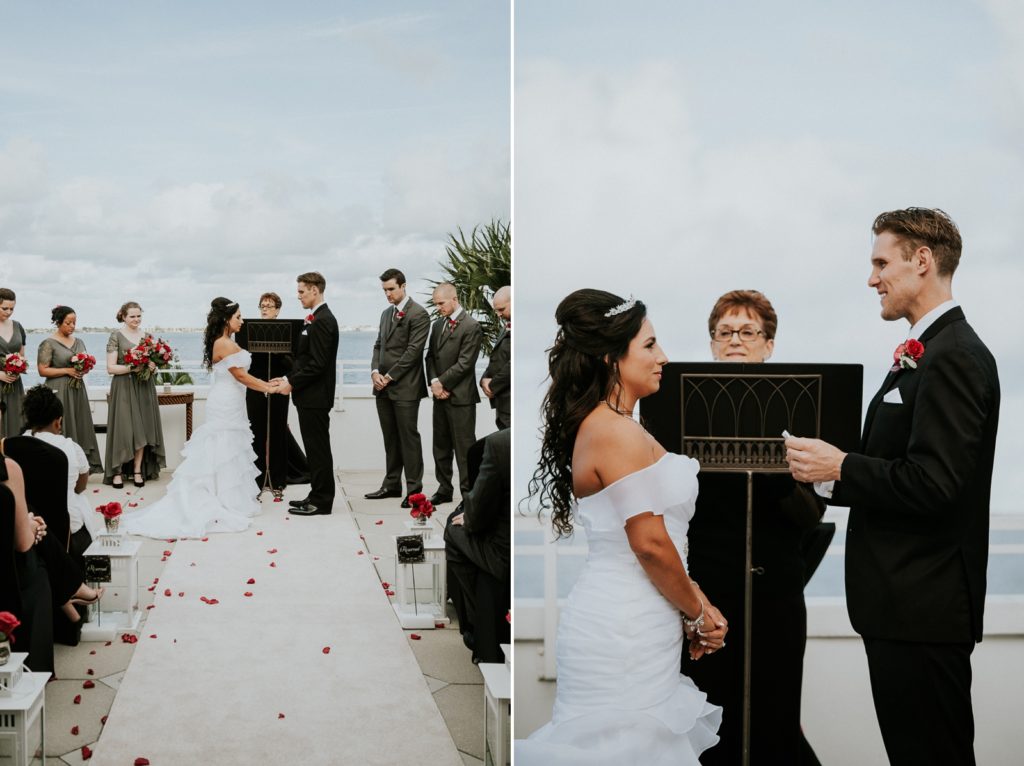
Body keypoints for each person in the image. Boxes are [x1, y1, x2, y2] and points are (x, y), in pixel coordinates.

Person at [785, 208, 1000, 766]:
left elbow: (936, 484)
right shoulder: (926, 353)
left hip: (924, 608)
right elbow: (902, 469)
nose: (872, 278)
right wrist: (827, 476)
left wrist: (842, 467)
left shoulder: (955, 357)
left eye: (881, 262)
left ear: (922, 261)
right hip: (902, 607)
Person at [516, 289, 726, 765]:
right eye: (650, 346)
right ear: (613, 357)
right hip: (623, 630)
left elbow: (661, 542)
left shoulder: (615, 426)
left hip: (639, 619)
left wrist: (692, 603)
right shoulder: (615, 431)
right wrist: (698, 612)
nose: (664, 357)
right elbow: (649, 543)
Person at [682, 290, 824, 765]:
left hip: (777, 589)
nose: (735, 341)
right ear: (712, 342)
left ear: (769, 343)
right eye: (725, 332)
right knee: (709, 714)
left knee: (776, 712)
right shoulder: (686, 407)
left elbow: (812, 513)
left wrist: (773, 469)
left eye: (747, 332)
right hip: (707, 590)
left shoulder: (800, 412)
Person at [123, 298, 280, 539]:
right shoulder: (224, 344)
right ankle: (221, 499)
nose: (242, 320)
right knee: (223, 446)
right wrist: (269, 387)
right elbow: (242, 377)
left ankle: (228, 497)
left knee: (230, 447)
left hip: (232, 400)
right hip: (226, 400)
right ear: (227, 319)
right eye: (238, 317)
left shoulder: (226, 341)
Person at [444, 428, 510, 664]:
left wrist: (468, 517)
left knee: (452, 530)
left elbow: (479, 512)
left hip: (504, 554)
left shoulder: (500, 444)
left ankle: (474, 624)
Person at [276, 273, 340, 516]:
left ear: (315, 290)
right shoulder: (316, 318)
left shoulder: (324, 320)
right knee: (314, 450)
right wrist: (285, 378)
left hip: (315, 397)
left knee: (318, 450)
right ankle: (316, 494)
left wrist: (291, 383)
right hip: (308, 396)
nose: (298, 295)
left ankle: (322, 501)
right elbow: (305, 359)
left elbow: (319, 364)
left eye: (302, 291)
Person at [365, 268, 428, 507]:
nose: (388, 294)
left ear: (403, 286)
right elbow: (378, 345)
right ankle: (392, 484)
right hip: (382, 387)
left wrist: (389, 376)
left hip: (406, 388)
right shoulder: (385, 314)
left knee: (408, 438)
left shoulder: (419, 314)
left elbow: (413, 352)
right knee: (390, 439)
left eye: (391, 289)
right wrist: (374, 372)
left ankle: (414, 491)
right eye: (385, 290)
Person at [22, 384, 100, 557]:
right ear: (58, 421)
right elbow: (80, 488)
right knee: (78, 499)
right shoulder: (72, 448)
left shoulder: (15, 446)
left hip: (27, 529)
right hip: (68, 533)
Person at [246, 292, 310, 495]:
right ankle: (257, 476)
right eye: (262, 305)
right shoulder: (250, 330)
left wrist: (281, 359)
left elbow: (295, 364)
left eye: (269, 305)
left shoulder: (288, 332)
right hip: (255, 387)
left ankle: (278, 478)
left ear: (278, 310)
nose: (264, 309)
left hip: (279, 386)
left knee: (277, 430)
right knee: (256, 431)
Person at [425, 282, 482, 505]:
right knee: (440, 445)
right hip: (439, 396)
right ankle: (444, 488)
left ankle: (468, 494)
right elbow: (430, 357)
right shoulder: (437, 325)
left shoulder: (471, 326)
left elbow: (466, 363)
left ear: (454, 299)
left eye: (441, 303)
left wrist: (442, 382)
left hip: (461, 398)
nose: (438, 307)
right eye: (436, 304)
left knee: (464, 449)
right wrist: (433, 382)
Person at [103, 301, 166, 489]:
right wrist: (133, 367)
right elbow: (110, 368)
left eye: (139, 316)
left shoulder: (147, 337)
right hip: (123, 386)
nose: (136, 319)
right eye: (132, 316)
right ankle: (117, 472)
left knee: (143, 430)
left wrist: (152, 367)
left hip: (144, 387)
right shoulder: (116, 336)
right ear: (123, 316)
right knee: (124, 430)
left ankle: (138, 470)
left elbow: (151, 364)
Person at [37, 305, 102, 474]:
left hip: (77, 390)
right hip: (58, 390)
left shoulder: (79, 342)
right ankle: (60, 467)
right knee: (62, 425)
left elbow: (86, 363)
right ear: (58, 322)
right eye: (68, 322)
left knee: (80, 423)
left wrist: (84, 369)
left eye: (74, 322)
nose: (72, 326)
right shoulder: (48, 343)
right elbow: (42, 370)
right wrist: (67, 370)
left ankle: (81, 467)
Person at [480, 285, 510, 430]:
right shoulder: (506, 327)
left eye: (501, 309)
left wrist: (493, 385)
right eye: (496, 310)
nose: (498, 314)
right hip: (501, 403)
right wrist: (483, 380)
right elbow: (497, 358)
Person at [0, 287, 28, 438]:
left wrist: (19, 368)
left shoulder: (18, 326)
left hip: (14, 384)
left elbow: (22, 354)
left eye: (12, 308)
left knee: (16, 425)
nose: (9, 312)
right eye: (5, 308)